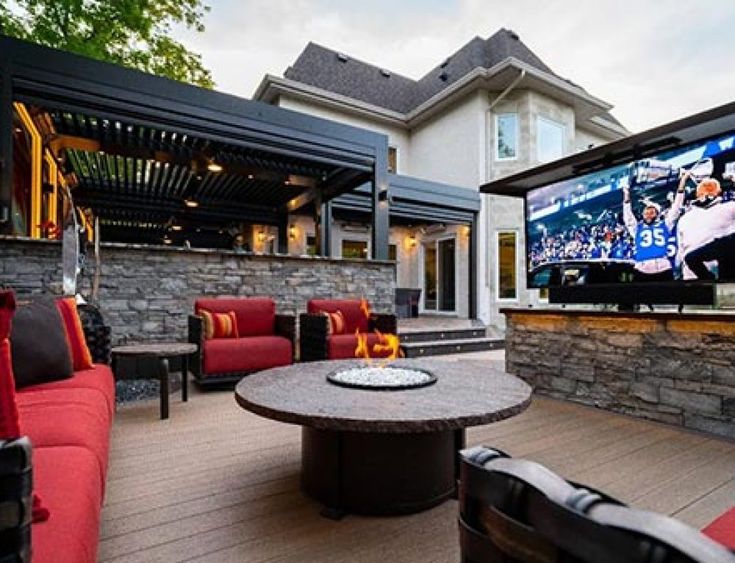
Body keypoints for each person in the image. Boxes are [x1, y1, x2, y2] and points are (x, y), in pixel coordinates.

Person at [622, 173, 685, 281]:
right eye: (646, 212)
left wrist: (683, 181)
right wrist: (626, 195)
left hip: (663, 266)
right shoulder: (637, 229)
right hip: (642, 267)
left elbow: (676, 207)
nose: (648, 214)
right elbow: (628, 217)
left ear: (657, 214)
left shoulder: (665, 225)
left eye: (651, 212)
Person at [677, 177, 735, 280]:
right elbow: (681, 252)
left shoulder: (730, 208)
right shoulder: (684, 219)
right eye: (703, 189)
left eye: (710, 188)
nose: (706, 191)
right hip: (694, 276)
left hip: (721, 274)